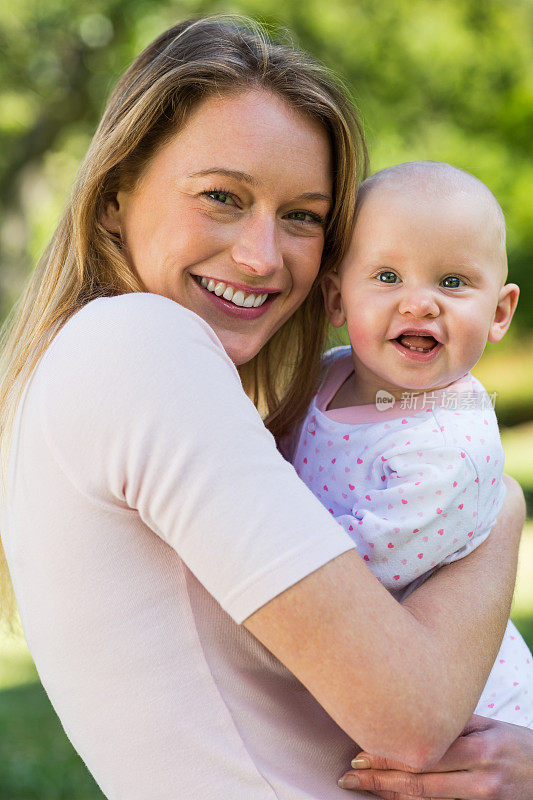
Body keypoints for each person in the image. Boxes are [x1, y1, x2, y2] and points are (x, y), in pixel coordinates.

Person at [0, 16, 530, 800]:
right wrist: (500, 512)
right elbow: (411, 721)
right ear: (113, 199)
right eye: (221, 196)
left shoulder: (110, 367)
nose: (261, 256)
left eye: (303, 216)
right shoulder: (136, 343)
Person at [287, 161, 532, 732]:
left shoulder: (451, 450)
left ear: (498, 313)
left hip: (472, 712)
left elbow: (353, 577)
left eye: (452, 282)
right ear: (337, 300)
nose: (419, 304)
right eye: (388, 277)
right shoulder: (330, 374)